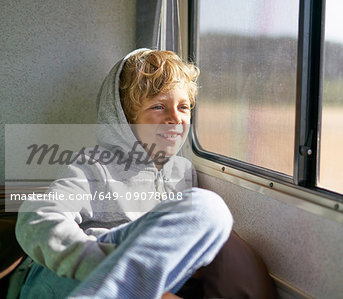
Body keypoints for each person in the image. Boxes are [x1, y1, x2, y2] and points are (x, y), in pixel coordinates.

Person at [14, 49, 234, 298]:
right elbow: (38, 215)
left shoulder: (184, 171)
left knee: (210, 213)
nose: (175, 118)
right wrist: (109, 266)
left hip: (142, 288)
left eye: (183, 107)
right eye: (159, 107)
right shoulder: (94, 165)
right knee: (208, 205)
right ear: (127, 119)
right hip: (67, 278)